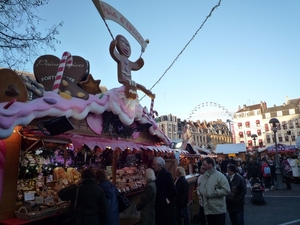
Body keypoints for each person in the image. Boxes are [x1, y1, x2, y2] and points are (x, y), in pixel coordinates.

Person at [199, 157, 230, 225]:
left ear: (210, 164)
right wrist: (201, 191)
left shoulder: (220, 176)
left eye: (204, 165)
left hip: (218, 209)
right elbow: (202, 187)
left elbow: (226, 190)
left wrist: (214, 193)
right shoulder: (205, 175)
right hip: (208, 208)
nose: (202, 167)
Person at [152, 157, 178, 225]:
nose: (153, 166)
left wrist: (174, 197)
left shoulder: (166, 174)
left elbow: (171, 188)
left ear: (159, 165)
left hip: (165, 204)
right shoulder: (158, 173)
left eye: (154, 165)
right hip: (162, 203)